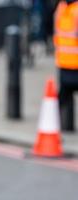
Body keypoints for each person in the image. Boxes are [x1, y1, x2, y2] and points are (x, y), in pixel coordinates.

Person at [54, 0, 78, 131]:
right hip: (68, 63)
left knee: (63, 99)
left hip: (64, 62)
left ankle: (62, 128)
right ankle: (63, 128)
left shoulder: (61, 8)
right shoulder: (64, 8)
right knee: (64, 98)